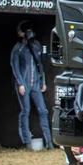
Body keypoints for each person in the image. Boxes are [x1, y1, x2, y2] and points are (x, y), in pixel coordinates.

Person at [10, 21, 53, 150]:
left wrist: (43, 81)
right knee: (25, 111)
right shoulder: (18, 49)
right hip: (24, 83)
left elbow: (40, 64)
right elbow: (15, 67)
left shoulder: (36, 45)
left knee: (43, 110)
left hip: (36, 84)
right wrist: (20, 84)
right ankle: (27, 142)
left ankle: (49, 142)